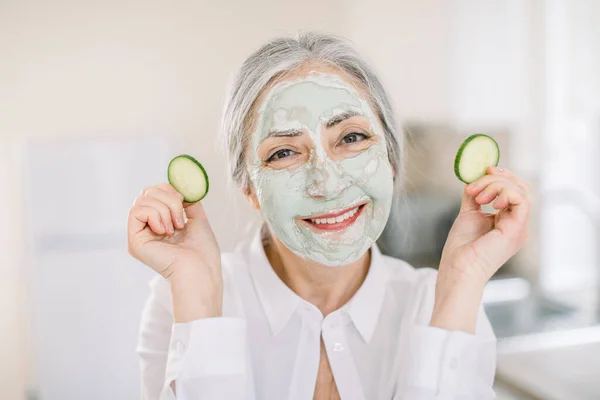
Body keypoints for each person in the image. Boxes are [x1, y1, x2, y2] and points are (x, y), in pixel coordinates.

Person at [128, 32, 530, 400]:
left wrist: (463, 280)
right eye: (284, 152)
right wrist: (198, 303)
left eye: (352, 138)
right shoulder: (179, 301)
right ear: (249, 189)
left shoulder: (443, 303)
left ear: (390, 159)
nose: (328, 183)